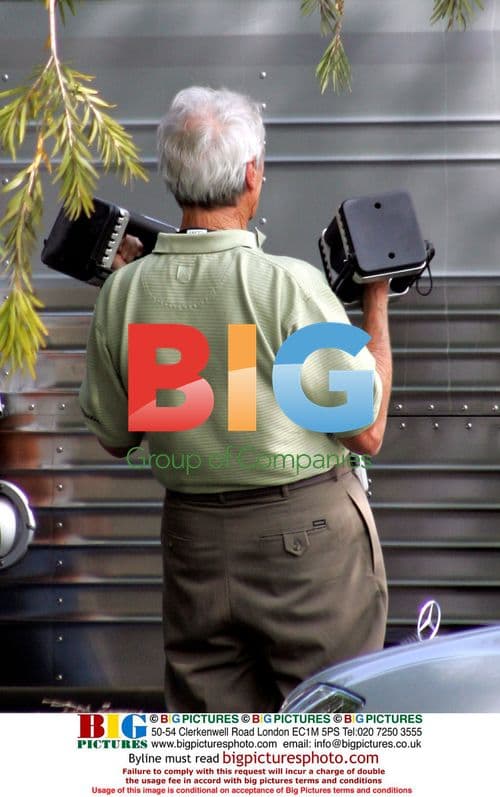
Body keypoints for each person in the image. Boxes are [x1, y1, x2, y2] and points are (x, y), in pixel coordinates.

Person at [79, 86, 392, 712]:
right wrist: (377, 303)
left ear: (172, 176)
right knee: (332, 734)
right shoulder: (288, 286)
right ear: (252, 176)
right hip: (304, 545)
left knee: (213, 752)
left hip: (192, 539)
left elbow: (116, 439)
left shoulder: (123, 293)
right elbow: (366, 430)